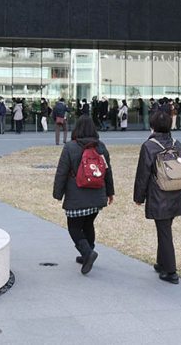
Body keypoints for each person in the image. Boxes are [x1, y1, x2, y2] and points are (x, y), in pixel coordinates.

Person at [52, 115, 115, 275]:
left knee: (74, 227)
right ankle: (87, 252)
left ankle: (87, 253)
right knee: (88, 224)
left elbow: (62, 172)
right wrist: (110, 192)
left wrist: (57, 193)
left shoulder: (70, 147)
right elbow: (107, 172)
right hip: (97, 195)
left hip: (76, 195)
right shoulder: (100, 147)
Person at [133, 110, 181, 284]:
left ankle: (170, 271)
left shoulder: (149, 146)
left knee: (164, 230)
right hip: (177, 191)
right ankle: (161, 262)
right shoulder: (177, 143)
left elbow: (143, 174)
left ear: (152, 125)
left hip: (160, 195)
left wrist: (138, 197)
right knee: (164, 228)